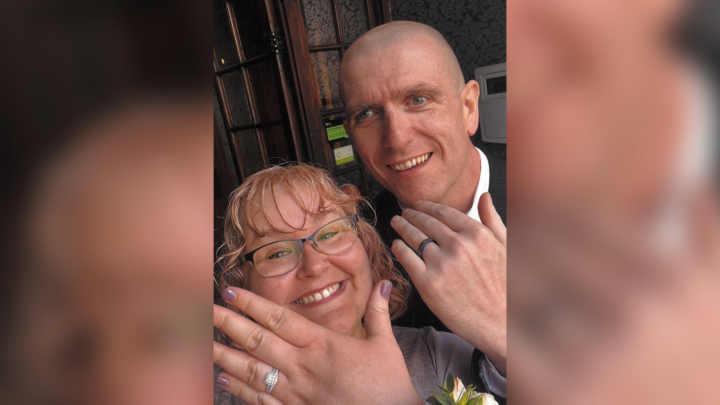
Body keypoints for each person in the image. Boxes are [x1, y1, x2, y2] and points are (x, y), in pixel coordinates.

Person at [213, 164, 500, 404]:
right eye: (277, 252)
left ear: (367, 249)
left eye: (330, 234)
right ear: (242, 284)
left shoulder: (439, 353)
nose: (314, 265)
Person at [338, 21, 507, 379]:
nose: (396, 139)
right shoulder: (355, 248)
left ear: (469, 108)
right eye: (366, 114)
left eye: (418, 100)